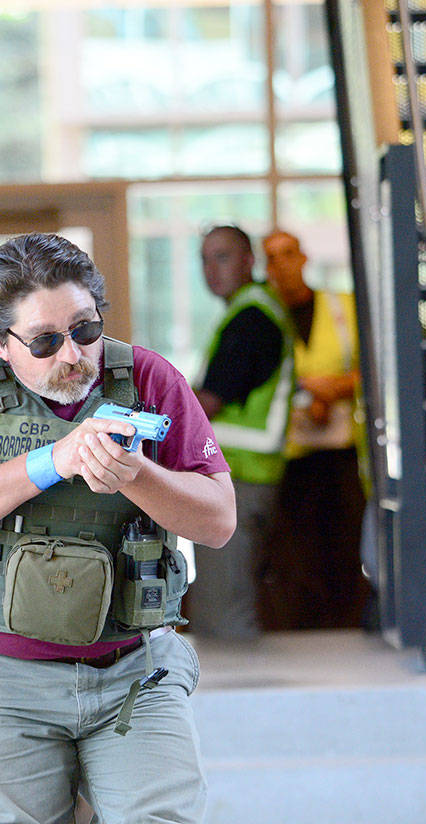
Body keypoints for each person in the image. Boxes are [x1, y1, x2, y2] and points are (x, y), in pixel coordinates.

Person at [0, 232, 235, 824]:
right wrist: (53, 461)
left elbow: (217, 521)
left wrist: (138, 474)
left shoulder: (147, 375)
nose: (73, 355)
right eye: (45, 341)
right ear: (0, 341)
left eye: (85, 330)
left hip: (133, 669)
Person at [258, 230, 369, 630]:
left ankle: (347, 628)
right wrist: (307, 392)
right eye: (272, 257)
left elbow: (376, 369)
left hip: (341, 455)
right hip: (286, 458)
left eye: (289, 254)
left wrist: (337, 388)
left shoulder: (344, 308)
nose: (282, 264)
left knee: (344, 549)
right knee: (294, 557)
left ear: (303, 258)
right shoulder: (263, 316)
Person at [186, 225, 293, 640]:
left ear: (249, 261)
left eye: (223, 256)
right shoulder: (245, 312)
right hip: (240, 478)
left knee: (224, 608)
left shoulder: (252, 317)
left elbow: (207, 401)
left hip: (241, 479)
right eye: (204, 258)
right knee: (221, 601)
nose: (211, 269)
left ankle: (242, 699)